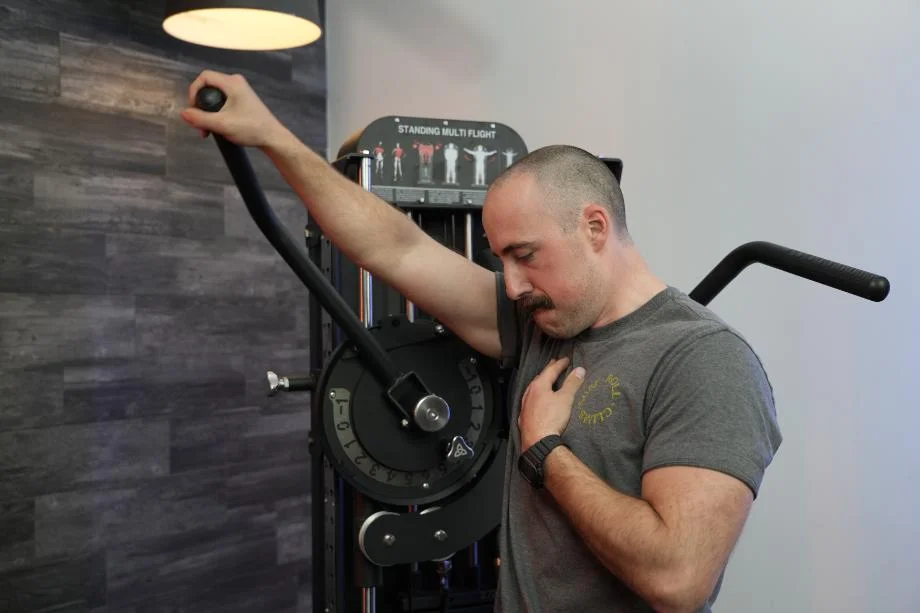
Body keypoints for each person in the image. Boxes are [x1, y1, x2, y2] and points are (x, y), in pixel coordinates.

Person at [181, 71, 782, 613]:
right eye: (501, 259)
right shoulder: (539, 321)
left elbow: (678, 579)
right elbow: (396, 248)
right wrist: (271, 136)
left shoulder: (705, 361)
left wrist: (545, 452)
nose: (513, 284)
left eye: (525, 256)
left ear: (595, 228)